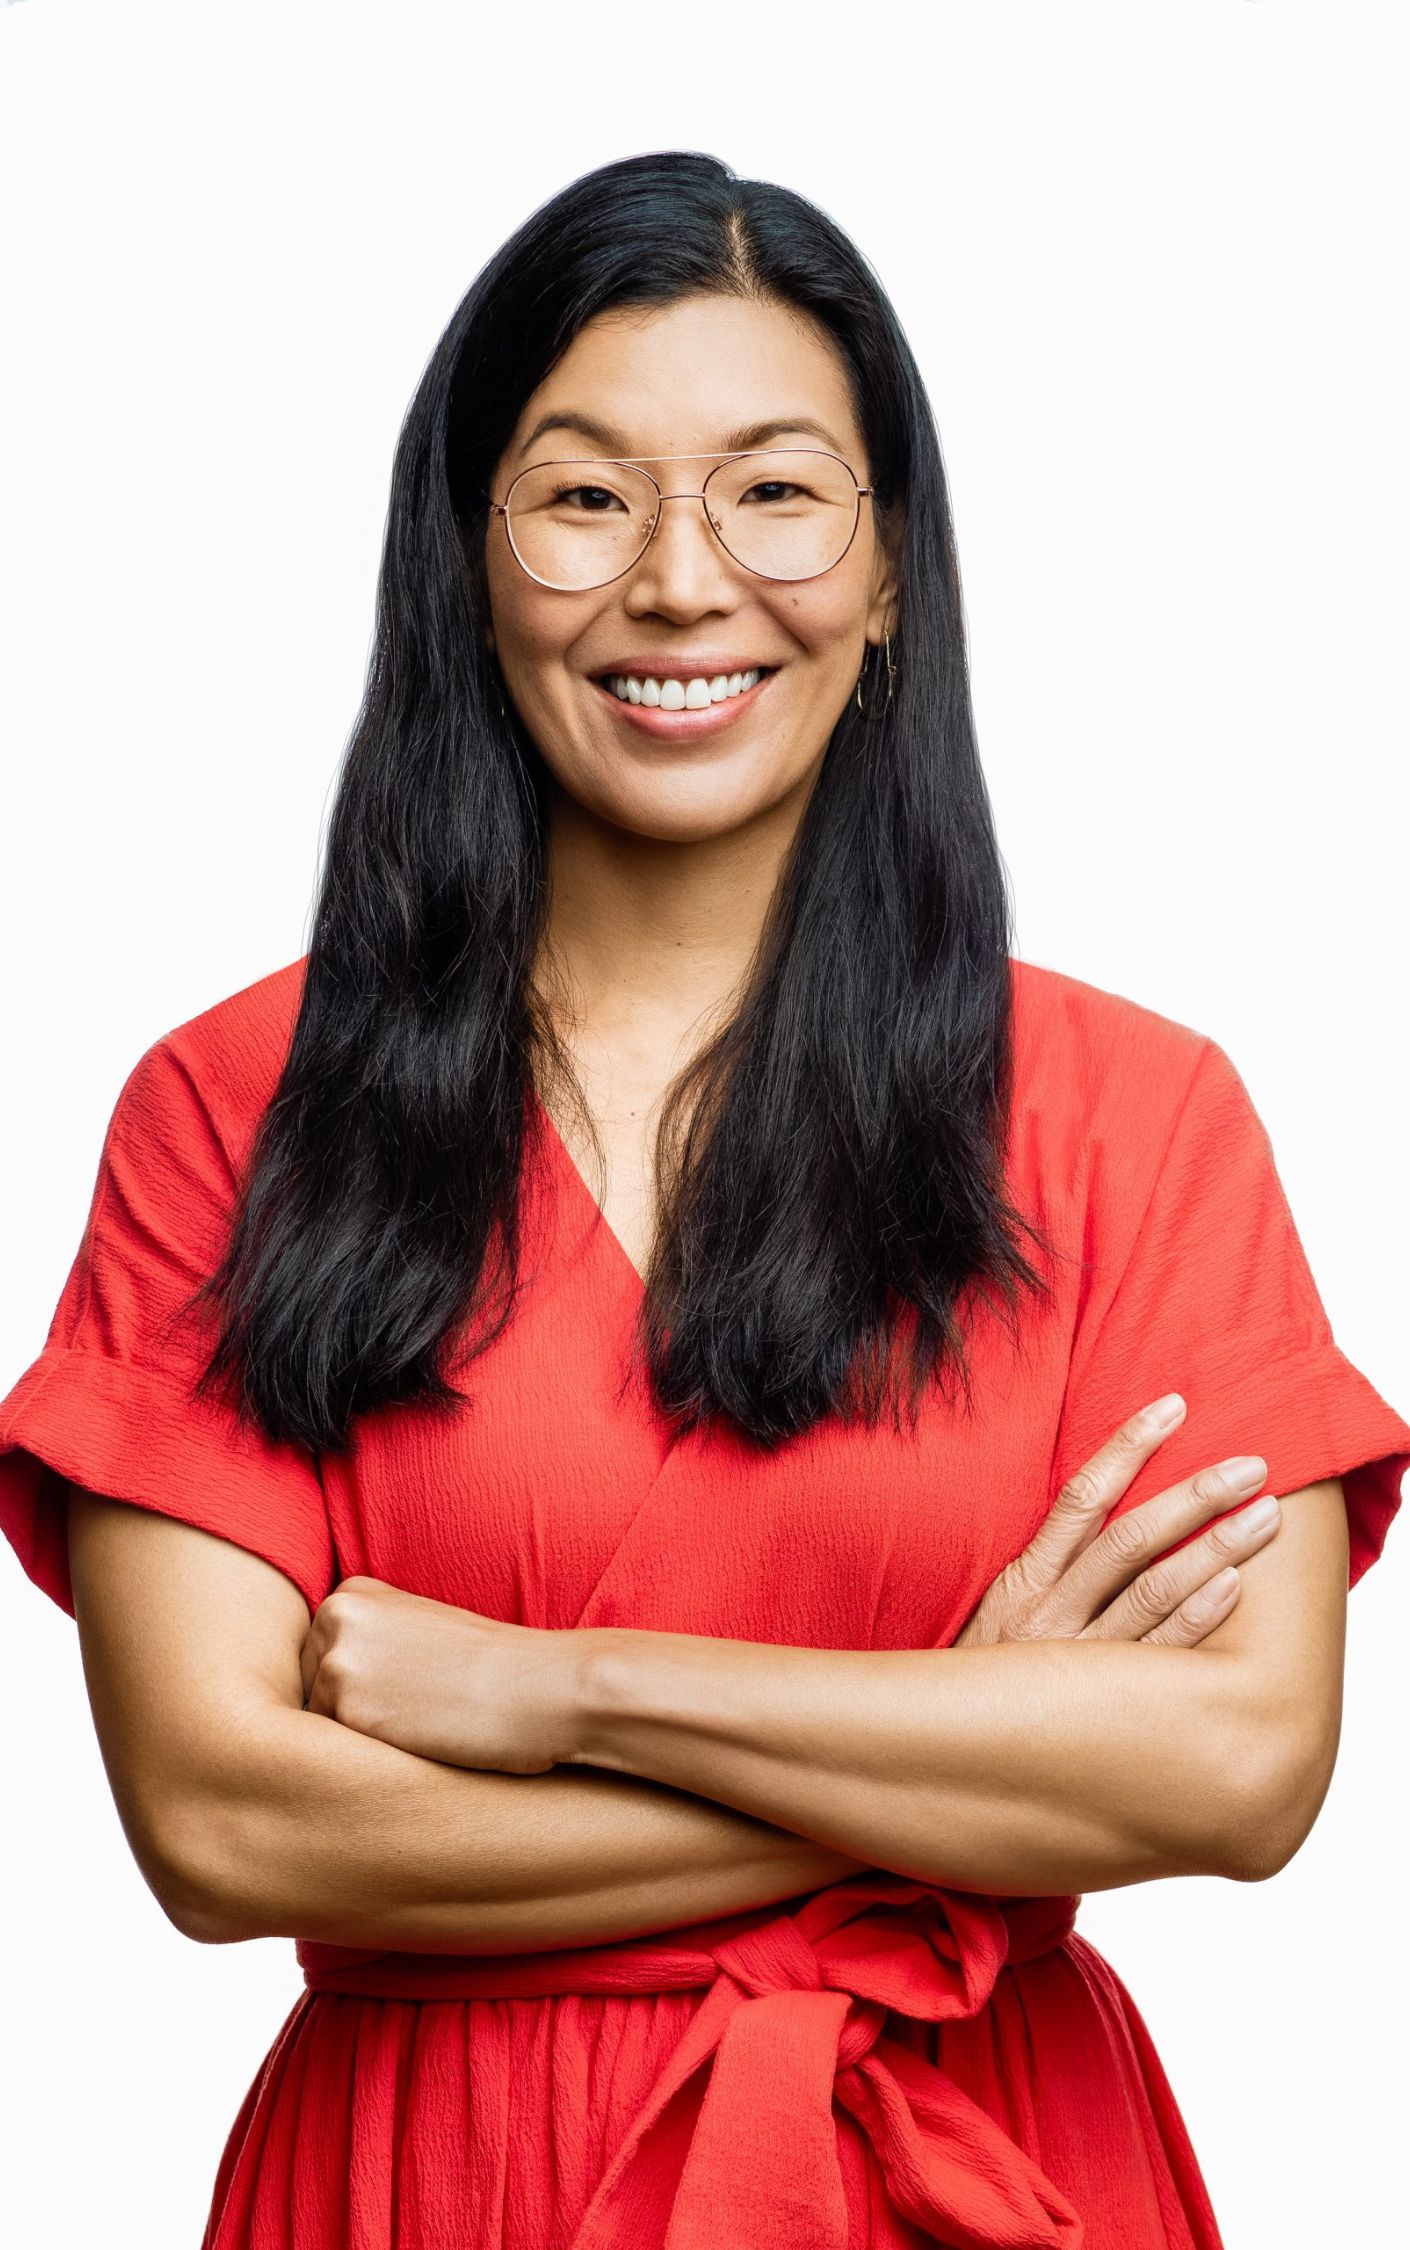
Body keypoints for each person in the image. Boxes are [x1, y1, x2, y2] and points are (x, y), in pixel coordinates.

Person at [1, 150, 1406, 2250]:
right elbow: (223, 1820)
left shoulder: (1140, 1114)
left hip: (986, 2168)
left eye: (775, 490)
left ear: (891, 566)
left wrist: (565, 1692)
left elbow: (1234, 1771)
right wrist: (958, 1758)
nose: (680, 582)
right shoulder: (233, 1111)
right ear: (465, 560)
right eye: (582, 496)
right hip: (436, 2185)